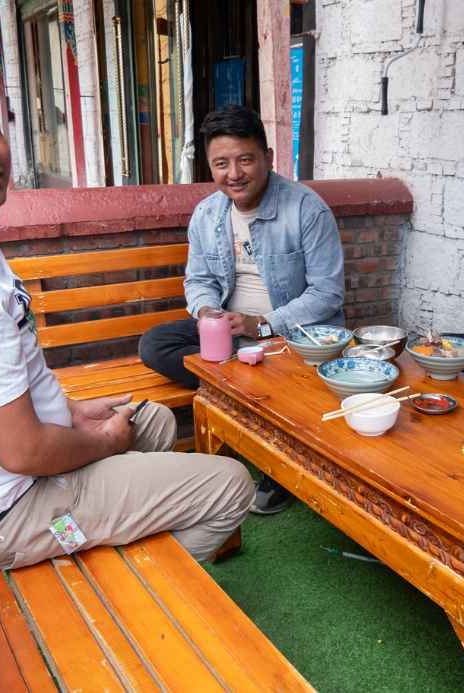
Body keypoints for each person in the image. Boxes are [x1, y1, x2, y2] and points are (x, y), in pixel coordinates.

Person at [0, 57, 254, 570]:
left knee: (149, 421)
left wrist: (71, 414)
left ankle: (115, 533)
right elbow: (24, 452)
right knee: (230, 484)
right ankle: (133, 597)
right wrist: (98, 442)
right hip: (8, 513)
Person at [139, 105, 345, 514]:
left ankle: (272, 455)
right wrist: (207, 314)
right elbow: (198, 280)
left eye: (245, 159)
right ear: (210, 167)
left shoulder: (306, 209)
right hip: (232, 336)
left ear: (267, 156)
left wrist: (264, 323)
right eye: (221, 163)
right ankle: (249, 397)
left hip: (292, 337)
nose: (234, 173)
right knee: (155, 344)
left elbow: (328, 293)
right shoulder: (207, 214)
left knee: (291, 371)